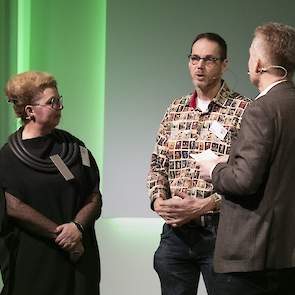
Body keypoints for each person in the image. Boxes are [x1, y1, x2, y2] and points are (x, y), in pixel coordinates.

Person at [147, 33, 251, 295]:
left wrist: (206, 205)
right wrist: (159, 201)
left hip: (221, 232)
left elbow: (248, 174)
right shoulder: (175, 109)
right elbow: (158, 165)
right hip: (176, 234)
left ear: (224, 64)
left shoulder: (243, 109)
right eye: (194, 58)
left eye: (208, 59)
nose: (199, 66)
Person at [197, 22, 295, 295]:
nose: (249, 61)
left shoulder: (261, 109)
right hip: (285, 255)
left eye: (251, 54)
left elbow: (243, 181)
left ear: (260, 63)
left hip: (252, 256)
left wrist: (214, 169)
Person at [0, 71, 102, 295]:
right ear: (30, 111)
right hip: (36, 262)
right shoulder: (8, 157)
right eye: (52, 102)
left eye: (59, 100)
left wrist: (77, 229)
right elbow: (13, 206)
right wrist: (63, 236)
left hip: (80, 258)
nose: (60, 107)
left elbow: (94, 194)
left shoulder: (75, 147)